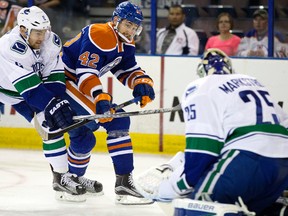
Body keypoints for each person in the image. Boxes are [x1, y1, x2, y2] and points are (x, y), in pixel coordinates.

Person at [135, 49, 288, 214]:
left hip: (247, 158)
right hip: (283, 163)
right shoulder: (253, 81)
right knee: (259, 208)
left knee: (194, 208)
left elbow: (203, 151)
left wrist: (172, 187)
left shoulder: (201, 87)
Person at [0, 5, 101, 202]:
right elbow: (30, 91)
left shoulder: (49, 40)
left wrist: (57, 101)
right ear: (22, 29)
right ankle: (60, 178)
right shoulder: (9, 47)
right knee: (50, 125)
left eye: (44, 31)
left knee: (83, 135)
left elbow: (54, 78)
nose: (42, 37)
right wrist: (53, 105)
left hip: (33, 88)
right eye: (37, 32)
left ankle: (74, 177)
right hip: (12, 93)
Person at [60, 1, 155, 205]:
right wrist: (100, 98)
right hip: (62, 82)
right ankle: (123, 185)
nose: (131, 31)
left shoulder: (126, 42)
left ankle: (69, 180)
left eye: (135, 27)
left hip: (74, 84)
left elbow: (126, 69)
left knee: (84, 139)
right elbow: (85, 73)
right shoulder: (100, 33)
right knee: (117, 121)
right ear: (115, 20)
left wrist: (141, 82)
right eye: (128, 25)